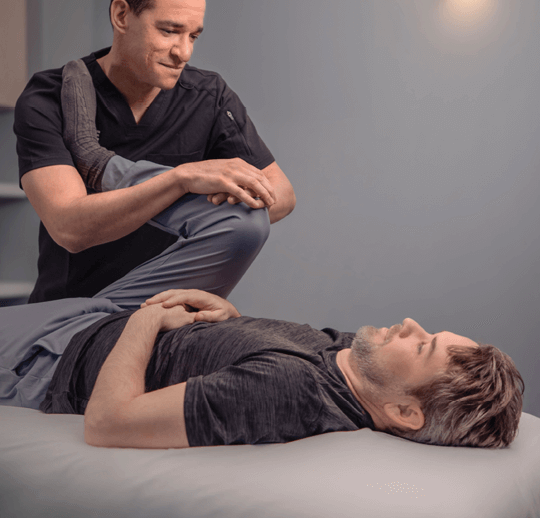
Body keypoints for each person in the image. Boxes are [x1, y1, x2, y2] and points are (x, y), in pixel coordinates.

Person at [0, 185, 524, 451]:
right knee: (242, 220)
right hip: (99, 319)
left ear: (406, 413)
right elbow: (254, 352)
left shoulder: (290, 391)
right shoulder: (356, 365)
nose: (411, 325)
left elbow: (108, 424)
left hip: (54, 357)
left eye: (423, 347)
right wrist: (230, 319)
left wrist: (146, 321)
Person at [14, 0, 295, 303]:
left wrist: (194, 213)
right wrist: (181, 180)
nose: (184, 52)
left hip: (166, 315)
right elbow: (69, 226)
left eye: (193, 35)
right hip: (68, 312)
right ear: (121, 15)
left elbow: (282, 195)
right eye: (169, 31)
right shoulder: (51, 95)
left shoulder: (208, 95)